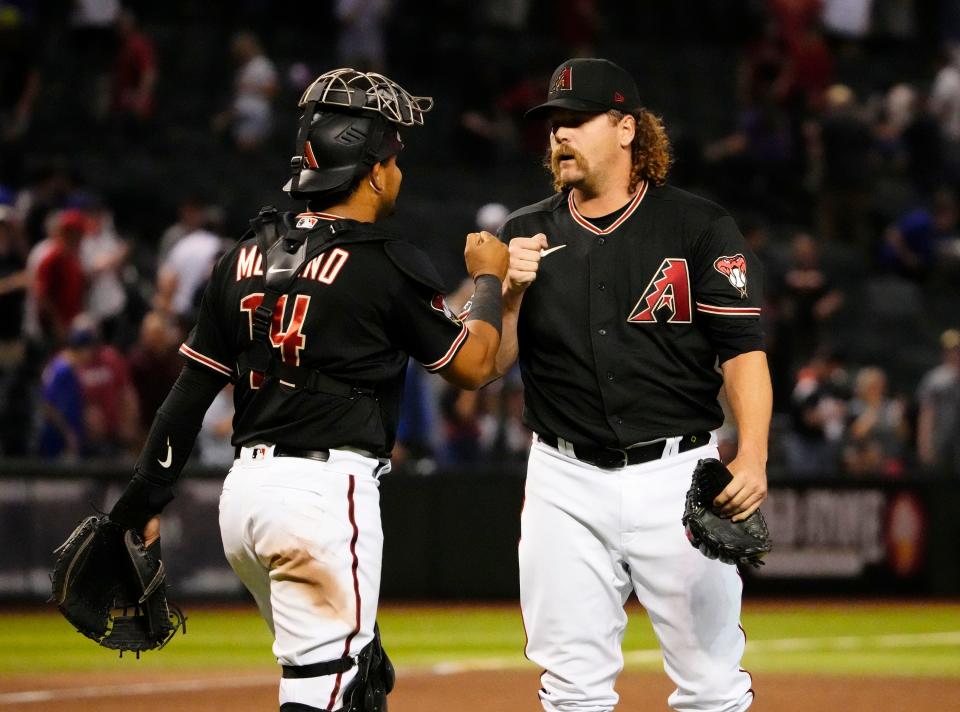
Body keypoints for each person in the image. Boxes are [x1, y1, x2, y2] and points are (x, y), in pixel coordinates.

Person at [107, 68, 508, 712]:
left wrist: (140, 503)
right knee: (327, 687)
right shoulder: (383, 261)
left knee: (352, 676)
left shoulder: (241, 257)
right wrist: (489, 282)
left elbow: (188, 395)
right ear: (372, 171)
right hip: (321, 496)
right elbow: (475, 364)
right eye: (394, 159)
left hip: (243, 503)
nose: (400, 173)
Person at [494, 58, 771, 711]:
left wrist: (753, 453)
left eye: (576, 122)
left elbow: (742, 352)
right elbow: (492, 364)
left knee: (710, 685)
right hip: (563, 480)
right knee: (571, 689)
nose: (559, 136)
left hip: (676, 475)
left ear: (625, 128)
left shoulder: (698, 228)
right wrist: (506, 293)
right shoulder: (524, 234)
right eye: (553, 125)